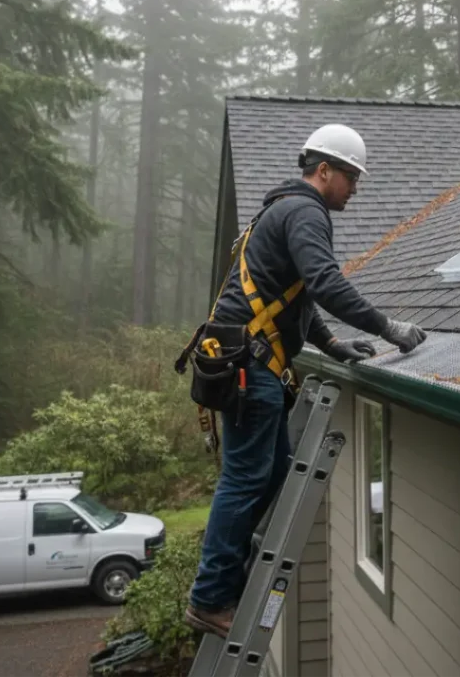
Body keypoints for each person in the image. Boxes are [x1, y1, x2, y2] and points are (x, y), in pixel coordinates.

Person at [183, 123, 429, 637]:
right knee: (246, 479)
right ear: (324, 170)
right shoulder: (304, 211)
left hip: (252, 361)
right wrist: (388, 328)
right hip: (251, 367)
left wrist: (333, 345)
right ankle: (209, 598)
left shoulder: (284, 209)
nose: (355, 189)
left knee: (272, 472)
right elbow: (324, 282)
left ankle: (227, 579)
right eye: (351, 177)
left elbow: (296, 298)